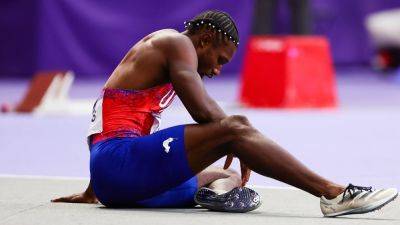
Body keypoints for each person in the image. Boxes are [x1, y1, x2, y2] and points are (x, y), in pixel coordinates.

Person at [52, 10, 398, 217]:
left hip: (116, 179)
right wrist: (238, 138)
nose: (216, 71)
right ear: (203, 41)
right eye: (219, 60)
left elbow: (105, 123)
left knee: (225, 174)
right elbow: (203, 111)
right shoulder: (175, 43)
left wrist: (93, 187)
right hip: (118, 166)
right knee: (235, 126)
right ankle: (333, 193)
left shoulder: (161, 52)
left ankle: (217, 191)